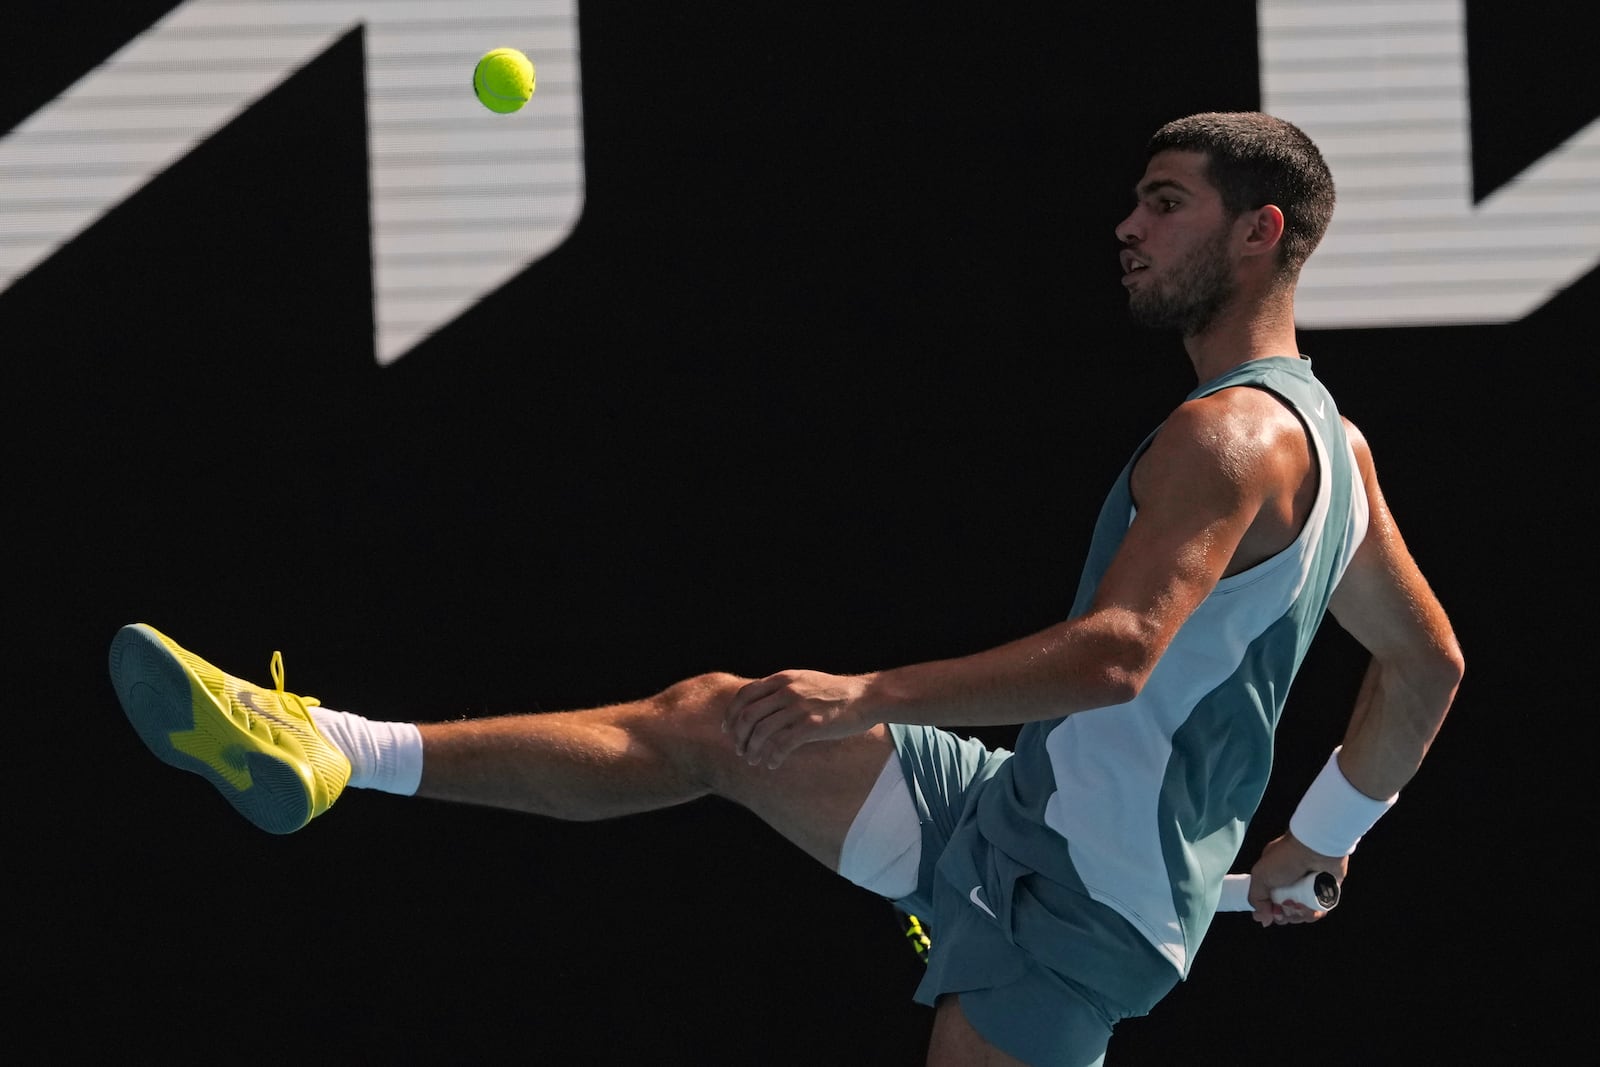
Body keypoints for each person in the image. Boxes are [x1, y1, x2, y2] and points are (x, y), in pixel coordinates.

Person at [108, 112, 1463, 1067]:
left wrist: (868, 691)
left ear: (1258, 232)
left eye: (1165, 201)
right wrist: (1325, 838)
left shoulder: (1225, 438)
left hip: (1081, 911)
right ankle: (331, 746)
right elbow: (1426, 667)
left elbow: (1116, 654)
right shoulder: (1335, 449)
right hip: (1019, 817)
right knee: (719, 723)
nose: (1127, 224)